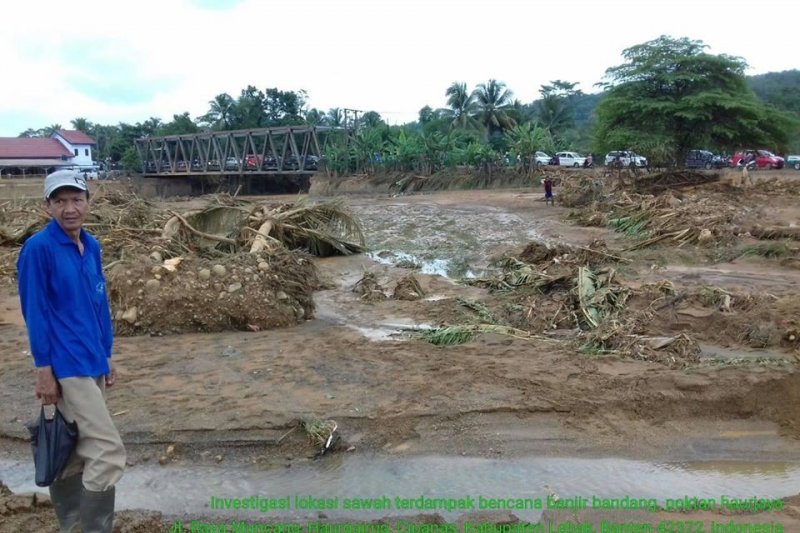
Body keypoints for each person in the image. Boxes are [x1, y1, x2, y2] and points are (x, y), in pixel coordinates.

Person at [17, 169, 125, 533]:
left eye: (76, 199)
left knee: (76, 448)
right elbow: (35, 312)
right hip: (66, 365)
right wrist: (43, 368)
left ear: (88, 202)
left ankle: (73, 525)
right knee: (108, 452)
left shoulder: (91, 245)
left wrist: (106, 353)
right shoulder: (38, 249)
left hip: (92, 358)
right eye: (60, 201)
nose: (70, 208)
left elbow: (98, 304)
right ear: (47, 206)